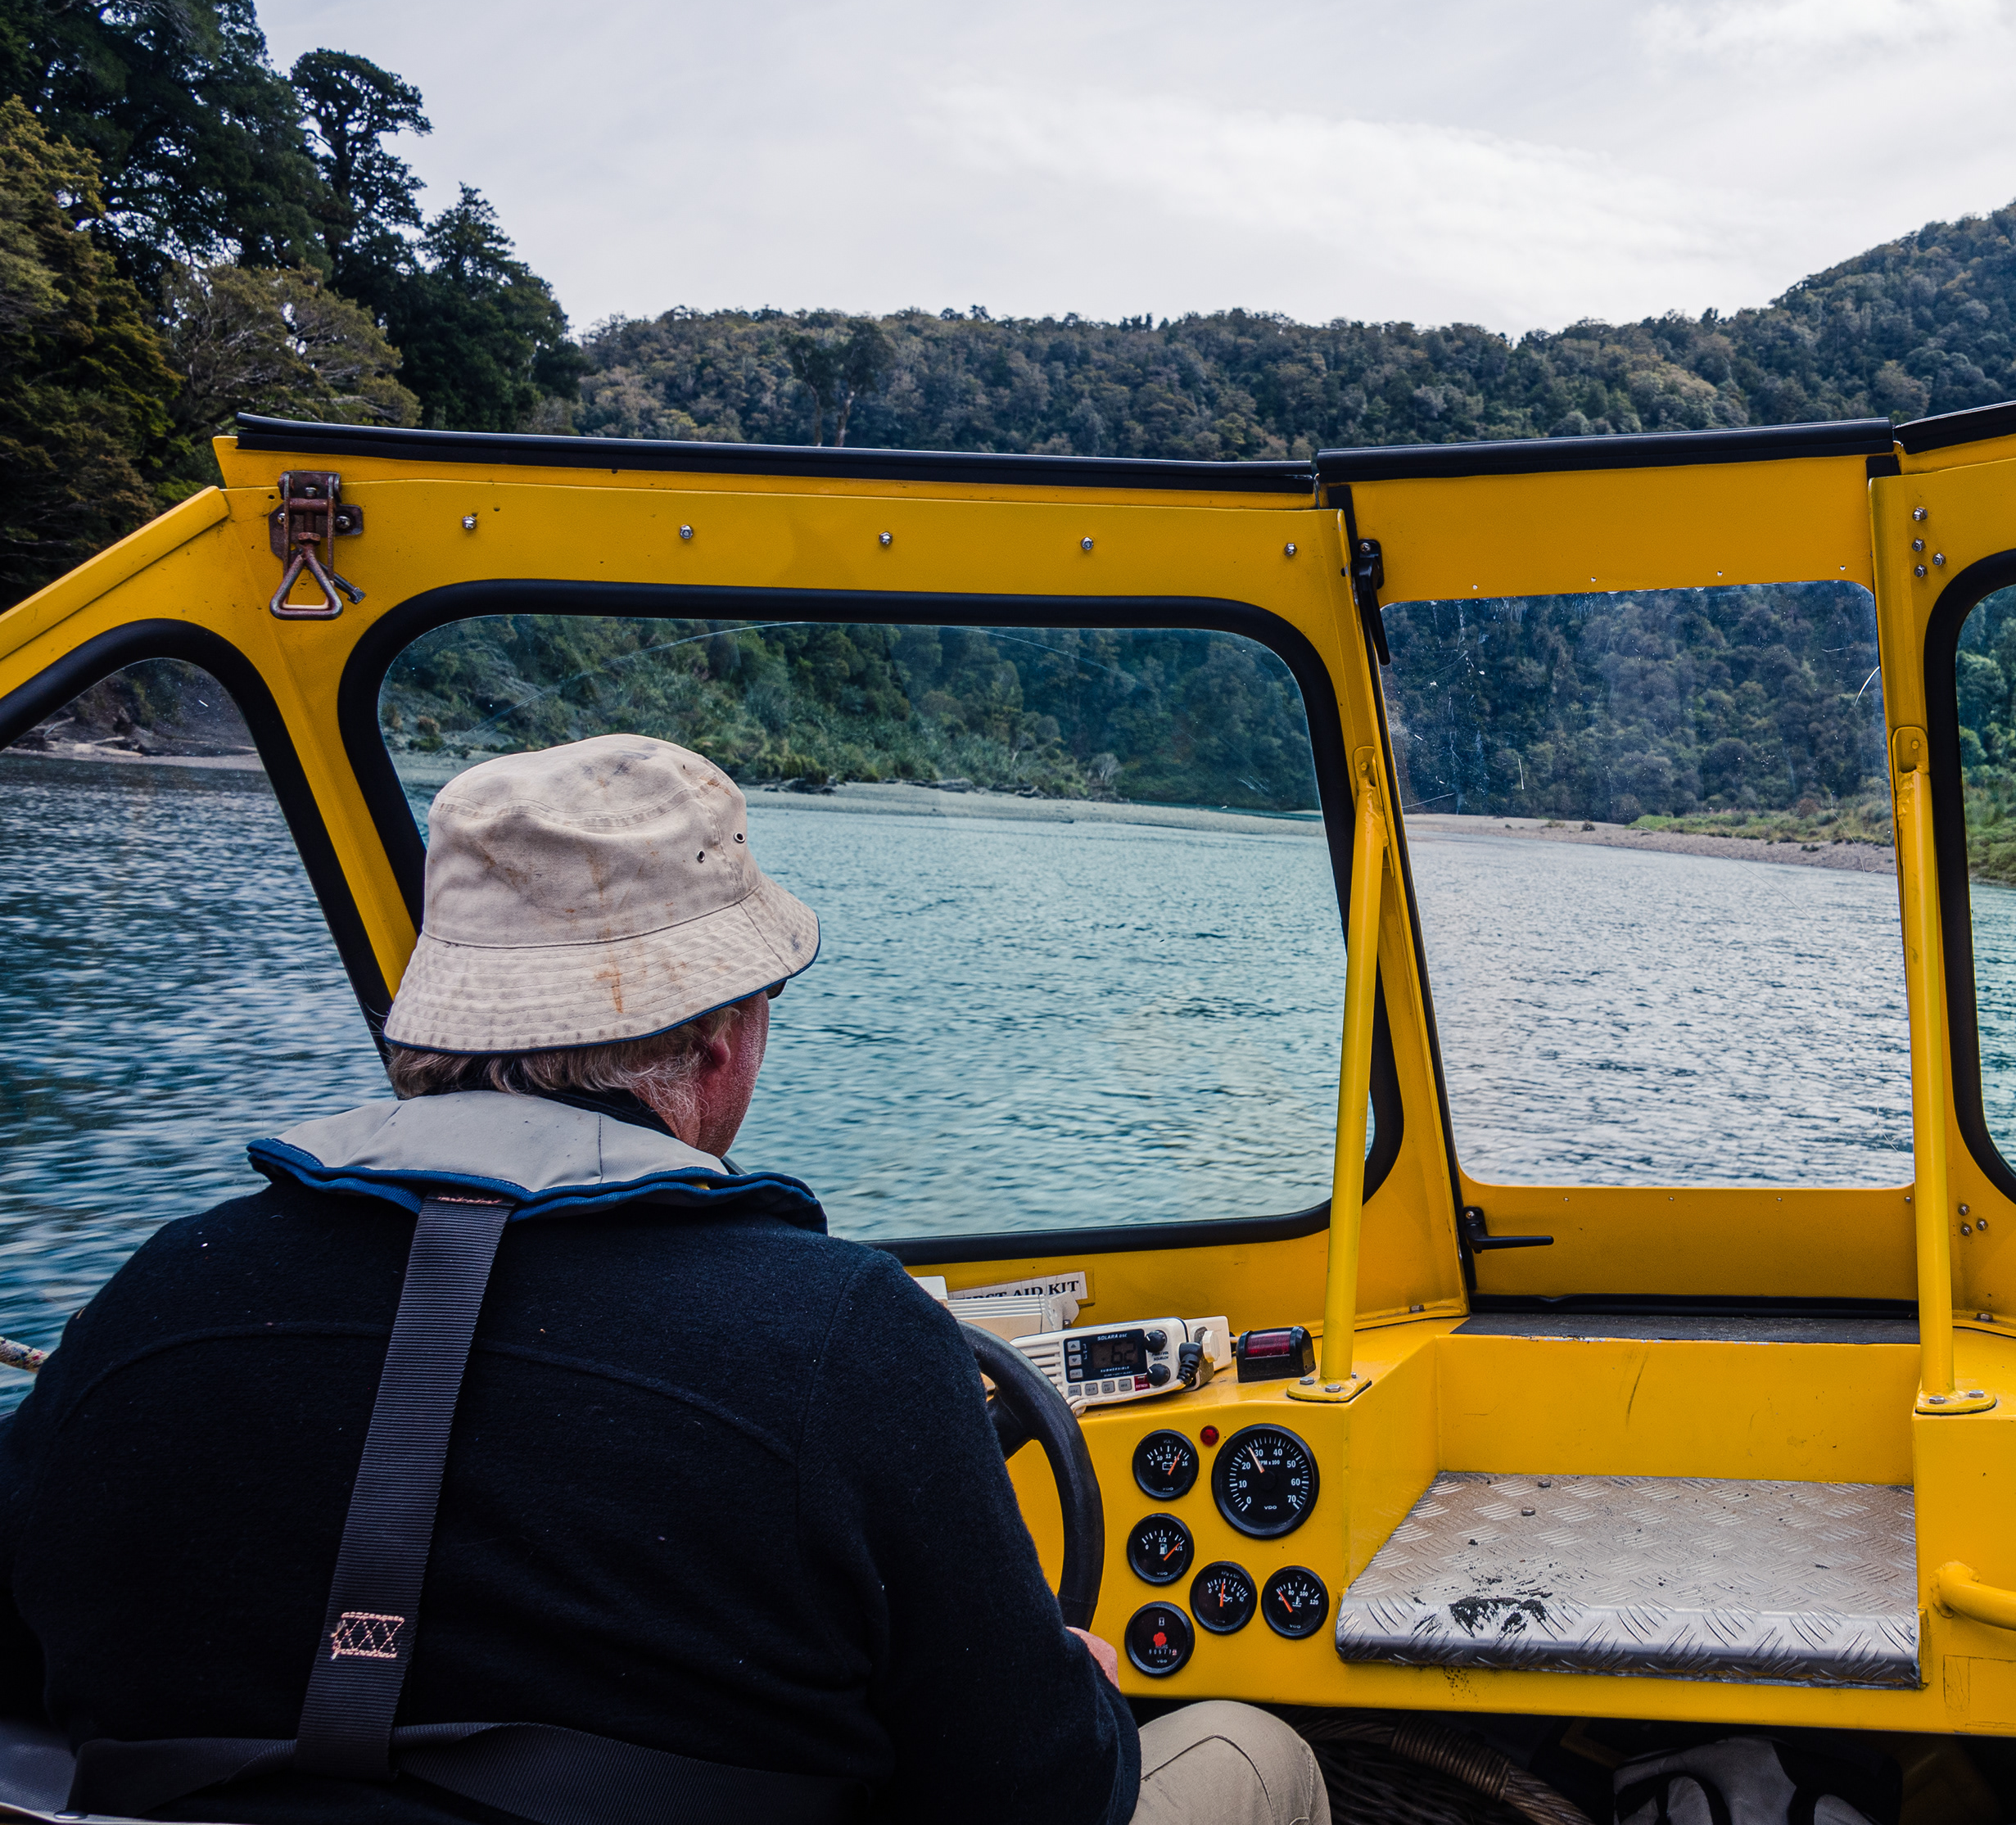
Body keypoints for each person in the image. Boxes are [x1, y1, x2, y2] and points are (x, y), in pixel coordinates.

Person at [0, 734, 1330, 1825]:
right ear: (721, 1047)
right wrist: (1080, 1688)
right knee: (1249, 1751)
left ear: (440, 1026)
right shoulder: (845, 1342)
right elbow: (1038, 1798)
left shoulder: (155, 1303)